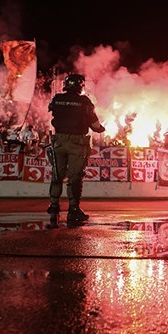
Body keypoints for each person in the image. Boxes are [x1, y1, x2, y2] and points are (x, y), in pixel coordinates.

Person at [48, 73, 105, 223]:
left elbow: (53, 117)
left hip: (58, 141)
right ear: (80, 86)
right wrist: (101, 129)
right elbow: (95, 124)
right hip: (77, 143)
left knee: (57, 175)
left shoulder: (57, 99)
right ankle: (73, 210)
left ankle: (54, 205)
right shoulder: (84, 102)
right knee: (75, 177)